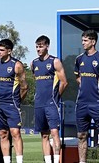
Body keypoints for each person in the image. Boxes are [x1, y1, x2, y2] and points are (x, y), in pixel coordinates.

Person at [74, 30, 99, 163]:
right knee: (81, 135)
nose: (82, 43)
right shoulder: (79, 59)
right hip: (81, 103)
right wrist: (84, 86)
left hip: (97, 102)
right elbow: (77, 77)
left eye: (85, 40)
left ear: (93, 42)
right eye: (82, 40)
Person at [32, 35, 67, 163]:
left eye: (41, 46)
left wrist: (55, 97)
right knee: (44, 135)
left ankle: (57, 160)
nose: (38, 49)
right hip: (39, 104)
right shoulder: (34, 63)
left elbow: (64, 82)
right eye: (37, 47)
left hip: (51, 104)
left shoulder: (55, 61)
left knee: (54, 133)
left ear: (47, 46)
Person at [0, 38, 26, 163]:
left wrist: (16, 101)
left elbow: (24, 87)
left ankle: (19, 161)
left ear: (9, 51)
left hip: (11, 105)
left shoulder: (17, 65)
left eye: (1, 50)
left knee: (15, 132)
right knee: (2, 133)